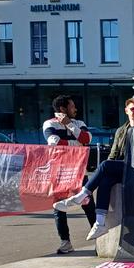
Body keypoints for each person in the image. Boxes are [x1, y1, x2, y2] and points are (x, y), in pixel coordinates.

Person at [53, 97, 134, 241]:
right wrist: (109, 168)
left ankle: (81, 196)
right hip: (123, 168)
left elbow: (85, 139)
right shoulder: (121, 131)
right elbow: (113, 154)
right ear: (126, 111)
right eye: (133, 109)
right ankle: (100, 222)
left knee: (104, 165)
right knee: (105, 179)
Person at [43, 95, 96, 255]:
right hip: (59, 173)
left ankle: (100, 239)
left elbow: (86, 139)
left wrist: (69, 125)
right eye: (72, 106)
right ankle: (65, 242)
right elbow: (53, 142)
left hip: (79, 171)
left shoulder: (79, 123)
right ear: (63, 109)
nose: (76, 109)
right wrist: (76, 144)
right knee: (59, 208)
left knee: (88, 204)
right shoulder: (49, 123)